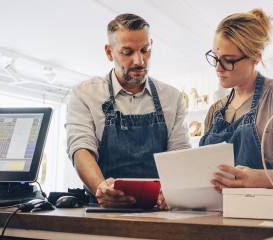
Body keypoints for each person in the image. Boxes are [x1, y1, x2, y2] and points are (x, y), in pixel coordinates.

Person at [66, 13, 190, 208]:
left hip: (160, 211)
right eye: (128, 52)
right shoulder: (84, 94)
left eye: (145, 50)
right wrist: (101, 188)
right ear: (109, 52)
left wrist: (172, 190)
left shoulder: (173, 98)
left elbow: (180, 152)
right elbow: (81, 149)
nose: (140, 61)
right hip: (103, 211)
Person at [200, 8, 273, 193]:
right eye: (215, 57)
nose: (218, 68)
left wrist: (256, 178)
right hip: (218, 217)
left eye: (228, 60)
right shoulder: (215, 111)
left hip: (269, 217)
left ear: (255, 57)